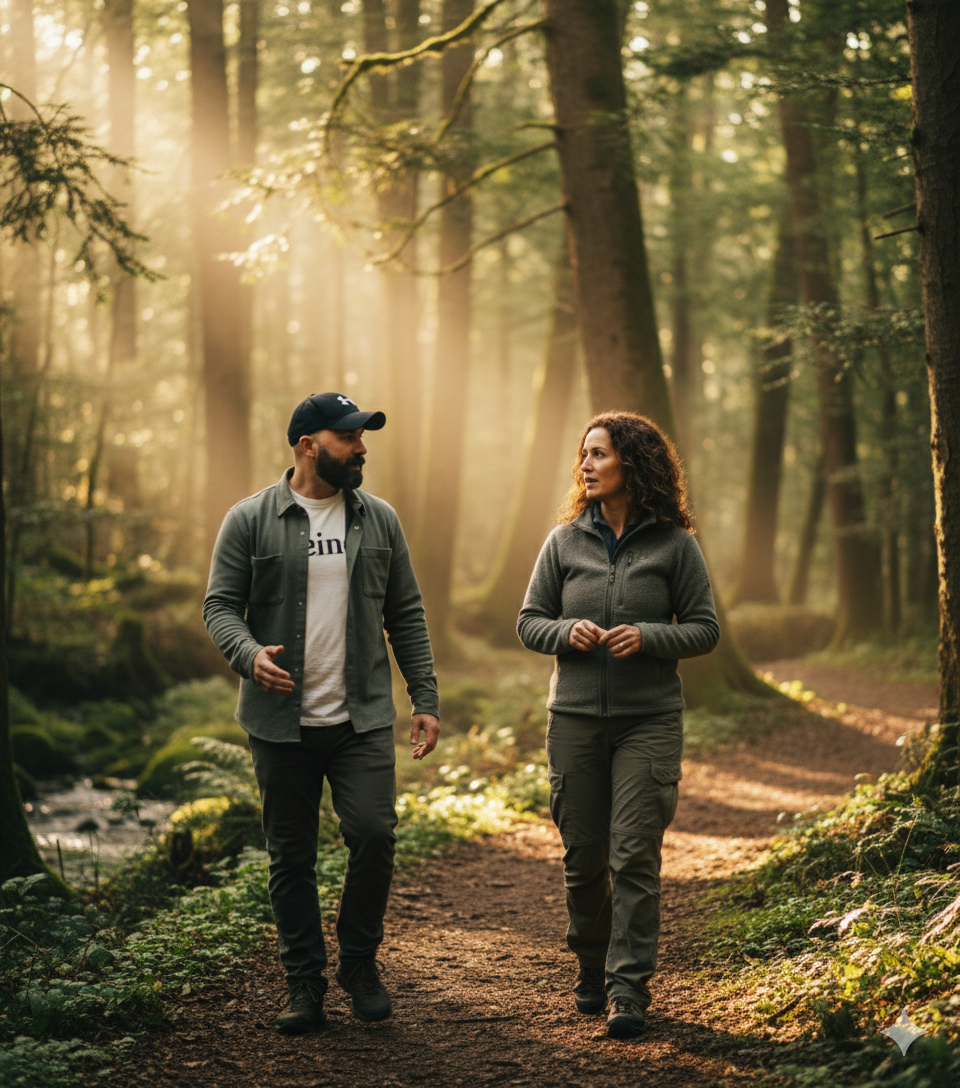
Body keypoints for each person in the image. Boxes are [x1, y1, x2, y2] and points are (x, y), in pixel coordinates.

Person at [203, 392, 440, 1035]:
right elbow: (219, 607)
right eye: (349, 438)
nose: (362, 448)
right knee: (291, 857)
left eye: (363, 437)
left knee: (373, 834)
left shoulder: (380, 519)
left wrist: (425, 698)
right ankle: (304, 982)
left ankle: (358, 963)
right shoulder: (249, 519)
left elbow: (406, 614)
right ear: (309, 444)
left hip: (360, 719)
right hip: (280, 724)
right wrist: (248, 654)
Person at [517, 411, 719, 1039]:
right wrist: (564, 631)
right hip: (574, 719)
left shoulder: (675, 545)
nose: (586, 465)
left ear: (632, 462)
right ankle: (591, 963)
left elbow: (705, 629)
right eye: (583, 455)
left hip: (647, 722)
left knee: (634, 856)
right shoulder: (563, 542)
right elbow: (528, 621)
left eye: (598, 454)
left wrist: (651, 637)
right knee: (584, 857)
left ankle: (628, 988)